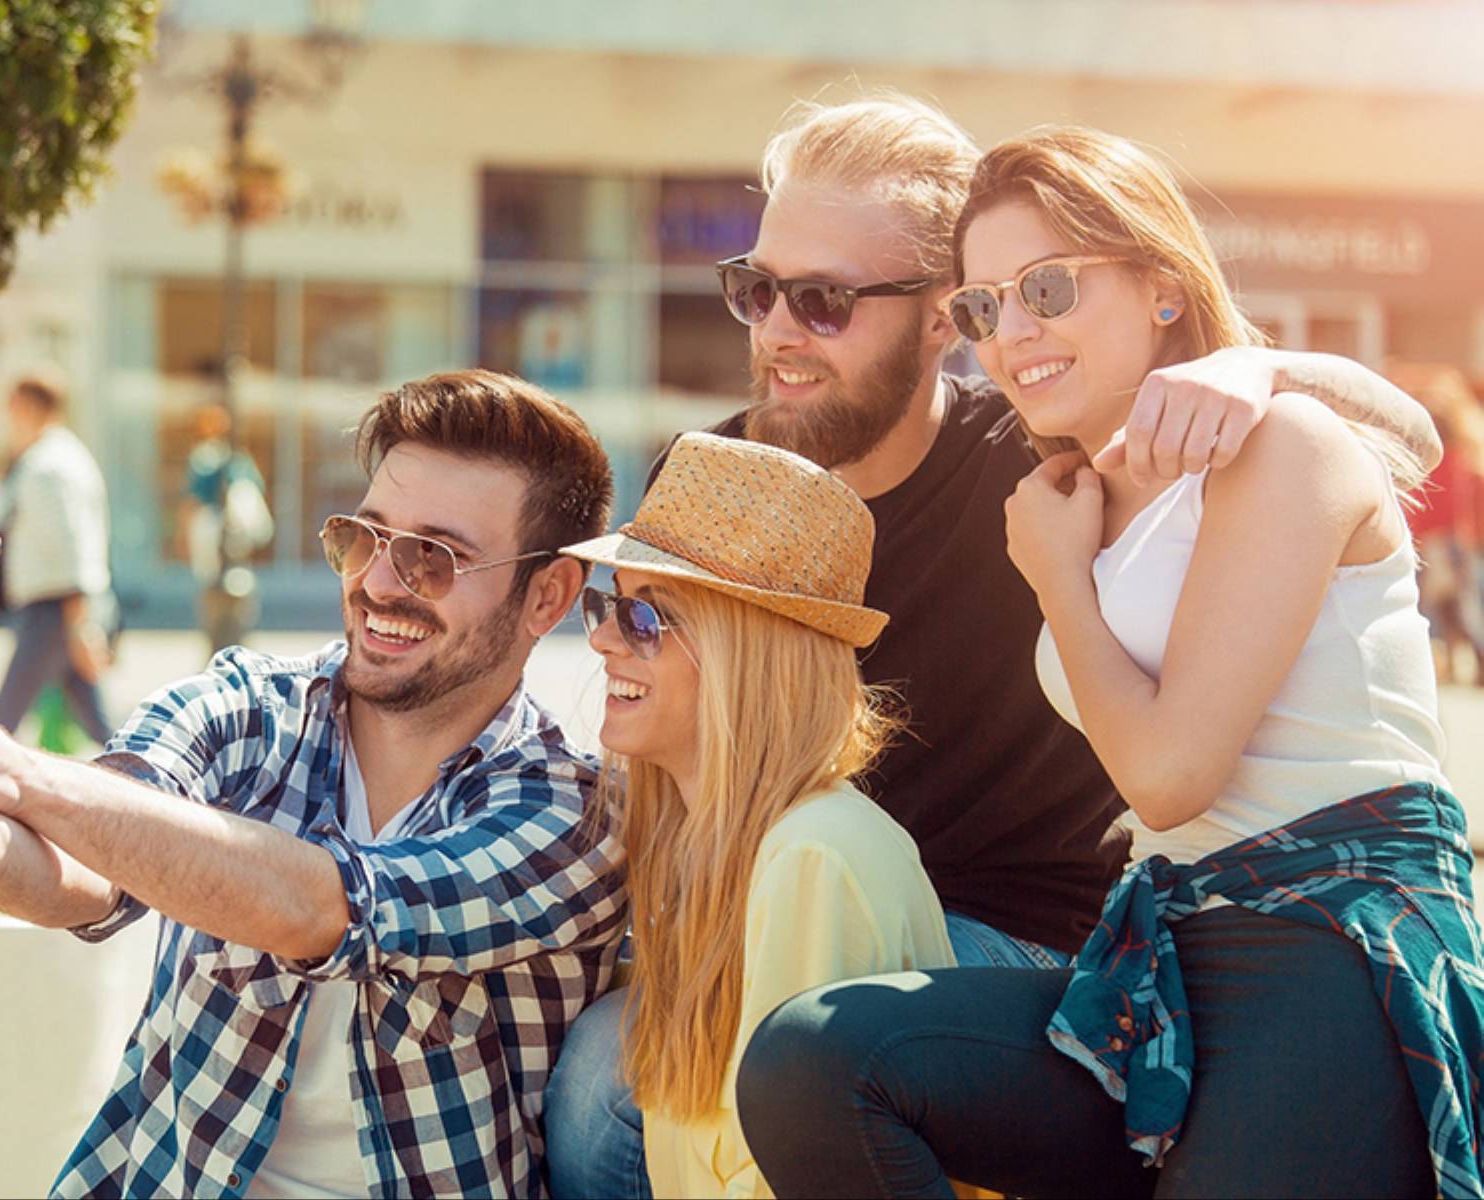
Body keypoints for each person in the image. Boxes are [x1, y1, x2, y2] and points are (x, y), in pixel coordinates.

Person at [543, 90, 1442, 1200]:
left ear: (930, 330)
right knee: (617, 1080)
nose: (776, 328)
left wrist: (1260, 367)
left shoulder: (1036, 470)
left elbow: (1408, 440)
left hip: (1206, 926)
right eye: (757, 290)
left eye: (824, 300)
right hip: (1119, 939)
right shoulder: (745, 481)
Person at [0, 369, 626, 1198]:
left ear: (549, 596)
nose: (379, 583)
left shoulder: (573, 814)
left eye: (434, 557)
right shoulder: (244, 706)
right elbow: (88, 877)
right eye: (365, 537)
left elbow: (326, 908)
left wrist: (15, 770)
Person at [560, 431, 954, 1199]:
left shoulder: (813, 856)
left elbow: (789, 1178)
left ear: (746, 654)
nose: (605, 638)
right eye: (607, 605)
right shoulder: (699, 841)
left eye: (647, 619)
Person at [0, 370, 118, 746]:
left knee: (1, 722)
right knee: (97, 723)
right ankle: (148, 780)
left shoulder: (47, 466)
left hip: (54, 610)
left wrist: (79, 624)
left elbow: (70, 544)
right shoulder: (63, 456)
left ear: (26, 408)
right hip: (64, 608)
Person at [1399, 363, 1484, 684]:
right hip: (1451, 540)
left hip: (1442, 540)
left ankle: (1449, 661)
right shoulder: (1463, 449)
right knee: (1456, 606)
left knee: (1449, 606)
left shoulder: (1442, 454)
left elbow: (1436, 504)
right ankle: (1460, 661)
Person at [182, 402, 272, 656]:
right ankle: (233, 645)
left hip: (213, 538)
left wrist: (185, 538)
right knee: (232, 588)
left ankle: (223, 645)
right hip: (232, 543)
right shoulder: (237, 459)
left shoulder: (205, 458)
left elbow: (193, 502)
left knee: (216, 589)